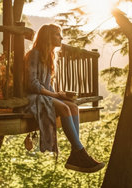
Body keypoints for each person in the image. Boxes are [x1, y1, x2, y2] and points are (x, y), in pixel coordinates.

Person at [24, 24, 105, 173]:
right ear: (48, 37)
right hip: (32, 97)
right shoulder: (34, 54)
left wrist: (60, 95)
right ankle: (79, 152)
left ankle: (76, 152)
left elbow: (47, 85)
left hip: (43, 95)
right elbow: (32, 84)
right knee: (64, 108)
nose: (61, 38)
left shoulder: (48, 56)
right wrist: (56, 96)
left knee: (73, 106)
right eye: (57, 34)